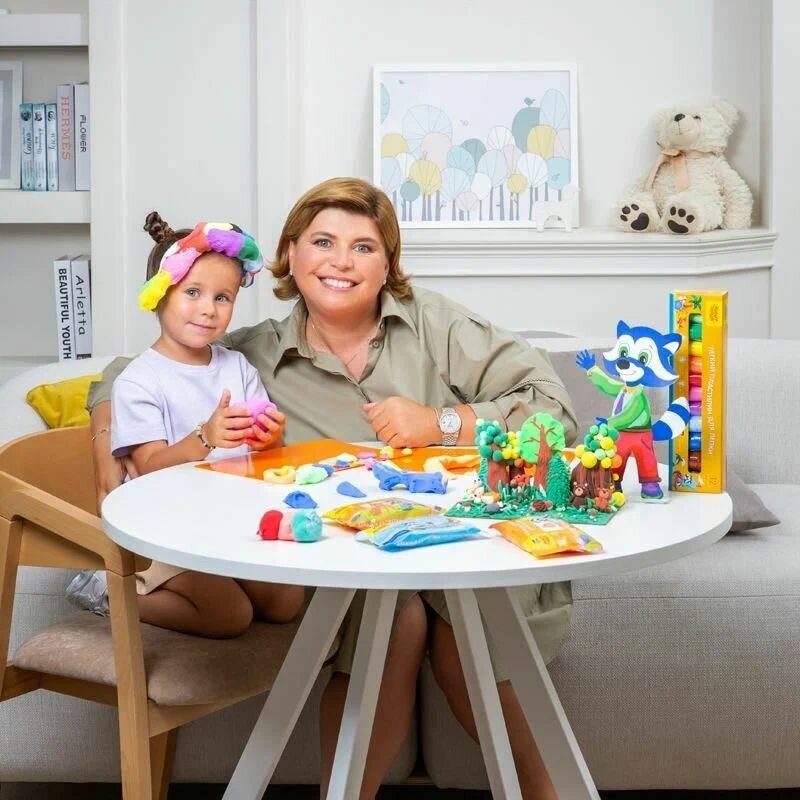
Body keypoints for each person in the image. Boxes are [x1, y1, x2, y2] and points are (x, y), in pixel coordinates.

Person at [88, 179, 578, 799]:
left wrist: (442, 423)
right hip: (358, 558)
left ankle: (544, 792)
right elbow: (134, 368)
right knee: (389, 617)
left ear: (387, 264)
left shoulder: (435, 325)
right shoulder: (254, 355)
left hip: (467, 538)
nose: (341, 261)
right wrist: (106, 436)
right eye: (322, 242)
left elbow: (553, 409)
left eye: (363, 247)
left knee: (470, 629)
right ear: (290, 255)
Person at [74, 213, 304, 637]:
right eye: (192, 292)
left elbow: (262, 456)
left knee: (286, 601)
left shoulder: (237, 367)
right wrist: (204, 436)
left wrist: (269, 438)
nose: (208, 309)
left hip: (229, 520)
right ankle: (109, 594)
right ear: (159, 295)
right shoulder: (139, 381)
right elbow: (148, 468)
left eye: (223, 297)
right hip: (167, 529)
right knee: (229, 616)